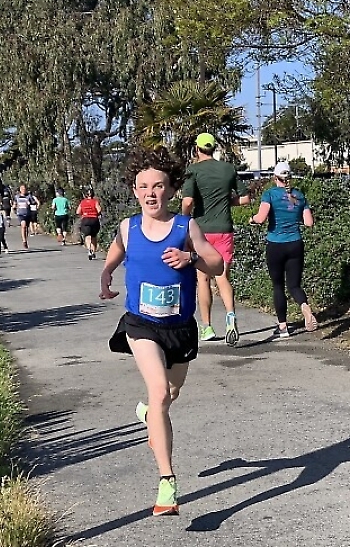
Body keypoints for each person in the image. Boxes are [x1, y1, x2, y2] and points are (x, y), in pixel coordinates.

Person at [99, 146, 223, 516]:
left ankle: (150, 415)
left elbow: (216, 264)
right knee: (158, 391)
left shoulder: (185, 227)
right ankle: (167, 483)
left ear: (170, 190)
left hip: (179, 326)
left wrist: (191, 258)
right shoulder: (128, 227)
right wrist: (106, 273)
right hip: (141, 324)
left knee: (169, 394)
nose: (151, 193)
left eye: (158, 186)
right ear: (134, 190)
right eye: (143, 186)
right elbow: (116, 249)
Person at [181, 132, 250, 345]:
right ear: (213, 148)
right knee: (222, 276)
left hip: (201, 231)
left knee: (203, 279)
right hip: (224, 229)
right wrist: (225, 202)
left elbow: (188, 201)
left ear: (197, 149)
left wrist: (183, 220)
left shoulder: (193, 171)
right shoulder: (228, 169)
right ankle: (230, 317)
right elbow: (245, 198)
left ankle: (207, 326)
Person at [249, 161, 317, 339]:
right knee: (294, 285)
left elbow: (261, 218)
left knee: (278, 286)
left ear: (275, 178)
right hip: (295, 244)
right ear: (290, 177)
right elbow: (309, 223)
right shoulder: (299, 195)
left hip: (276, 245)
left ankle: (283, 327)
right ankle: (304, 307)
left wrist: (252, 219)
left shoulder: (270, 194)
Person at [76, 187, 102, 260]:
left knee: (87, 236)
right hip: (94, 220)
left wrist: (83, 213)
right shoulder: (95, 201)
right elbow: (99, 210)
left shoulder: (82, 202)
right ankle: (93, 251)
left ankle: (89, 249)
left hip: (85, 219)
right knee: (94, 236)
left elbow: (77, 212)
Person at [13, 184, 39, 249]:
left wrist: (31, 204)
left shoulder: (28, 196)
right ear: (20, 190)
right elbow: (14, 204)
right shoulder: (17, 197)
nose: (23, 190)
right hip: (20, 214)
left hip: (27, 214)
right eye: (22, 189)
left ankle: (25, 240)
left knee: (26, 228)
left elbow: (33, 203)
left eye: (24, 189)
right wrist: (14, 208)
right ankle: (24, 241)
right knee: (23, 225)